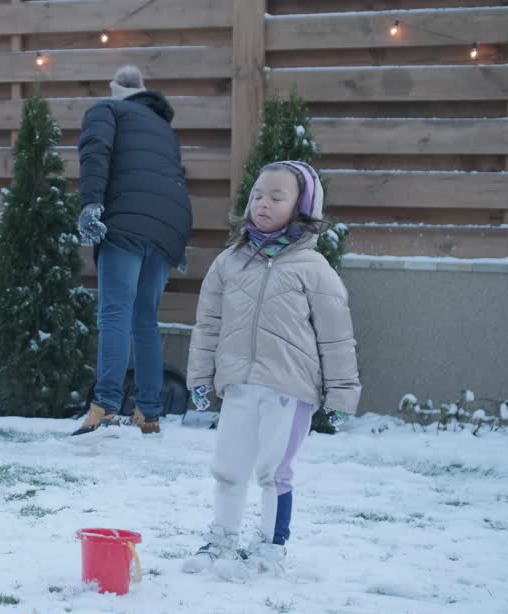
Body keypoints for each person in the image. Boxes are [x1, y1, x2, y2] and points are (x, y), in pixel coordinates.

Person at [181, 160, 360, 578]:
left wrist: (341, 395)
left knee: (272, 470)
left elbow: (336, 337)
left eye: (277, 197)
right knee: (228, 467)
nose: (263, 203)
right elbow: (208, 326)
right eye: (258, 195)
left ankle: (270, 547)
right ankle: (221, 539)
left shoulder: (314, 270)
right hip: (239, 386)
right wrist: (201, 378)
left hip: (288, 388)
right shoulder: (229, 263)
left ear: (303, 208)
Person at [73, 65, 192, 437]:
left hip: (125, 224)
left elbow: (96, 152)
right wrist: (178, 240)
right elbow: (175, 180)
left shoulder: (106, 110)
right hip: (165, 230)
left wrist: (90, 204)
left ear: (115, 90)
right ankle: (148, 414)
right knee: (145, 321)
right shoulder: (164, 130)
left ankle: (105, 408)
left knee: (115, 314)